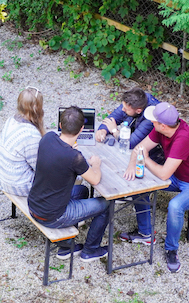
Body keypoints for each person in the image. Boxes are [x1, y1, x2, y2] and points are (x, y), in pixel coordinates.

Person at [120, 102, 189, 273]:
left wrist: (145, 159)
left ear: (163, 125)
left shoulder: (183, 138)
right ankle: (145, 234)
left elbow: (164, 174)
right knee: (139, 183)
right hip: (179, 176)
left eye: (154, 121)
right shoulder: (161, 130)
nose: (151, 122)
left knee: (175, 206)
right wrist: (132, 166)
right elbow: (139, 148)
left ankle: (171, 249)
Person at [28, 106, 110, 262]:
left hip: (34, 205)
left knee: (82, 191)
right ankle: (91, 250)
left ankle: (67, 247)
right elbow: (95, 179)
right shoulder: (74, 157)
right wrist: (96, 165)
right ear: (81, 129)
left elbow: (58, 155)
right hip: (53, 216)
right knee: (106, 205)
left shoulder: (48, 138)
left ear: (60, 125)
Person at [0, 86, 45, 196]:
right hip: (18, 185)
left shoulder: (11, 120)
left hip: (1, 175)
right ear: (37, 108)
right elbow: (40, 168)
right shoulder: (31, 135)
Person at [95, 87, 164, 163]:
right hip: (136, 146)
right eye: (123, 106)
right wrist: (102, 130)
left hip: (154, 155)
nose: (122, 110)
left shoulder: (151, 116)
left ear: (138, 111)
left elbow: (131, 143)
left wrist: (114, 131)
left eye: (126, 109)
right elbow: (111, 119)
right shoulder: (132, 102)